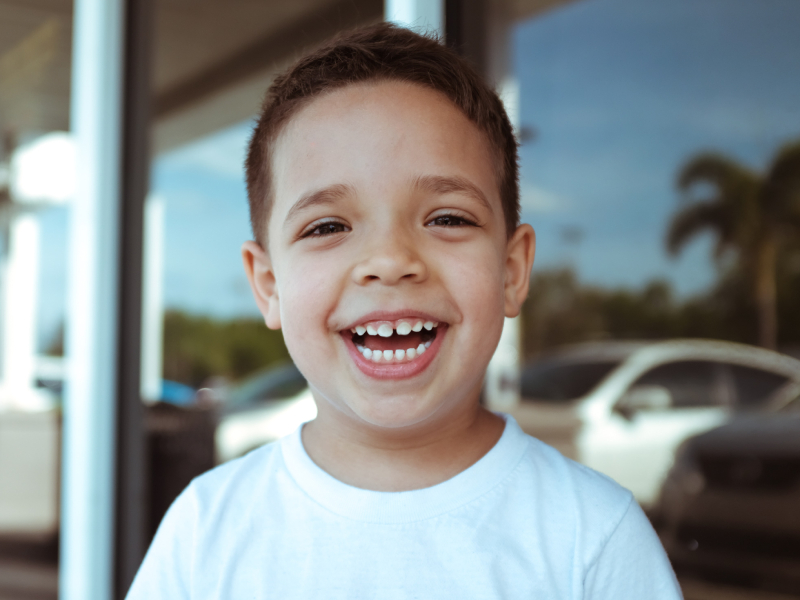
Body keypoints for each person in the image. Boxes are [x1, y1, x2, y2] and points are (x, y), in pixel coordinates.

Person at [127, 23, 682, 599]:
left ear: (512, 270)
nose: (390, 261)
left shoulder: (591, 535)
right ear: (268, 285)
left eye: (447, 218)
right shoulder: (205, 529)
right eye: (328, 226)